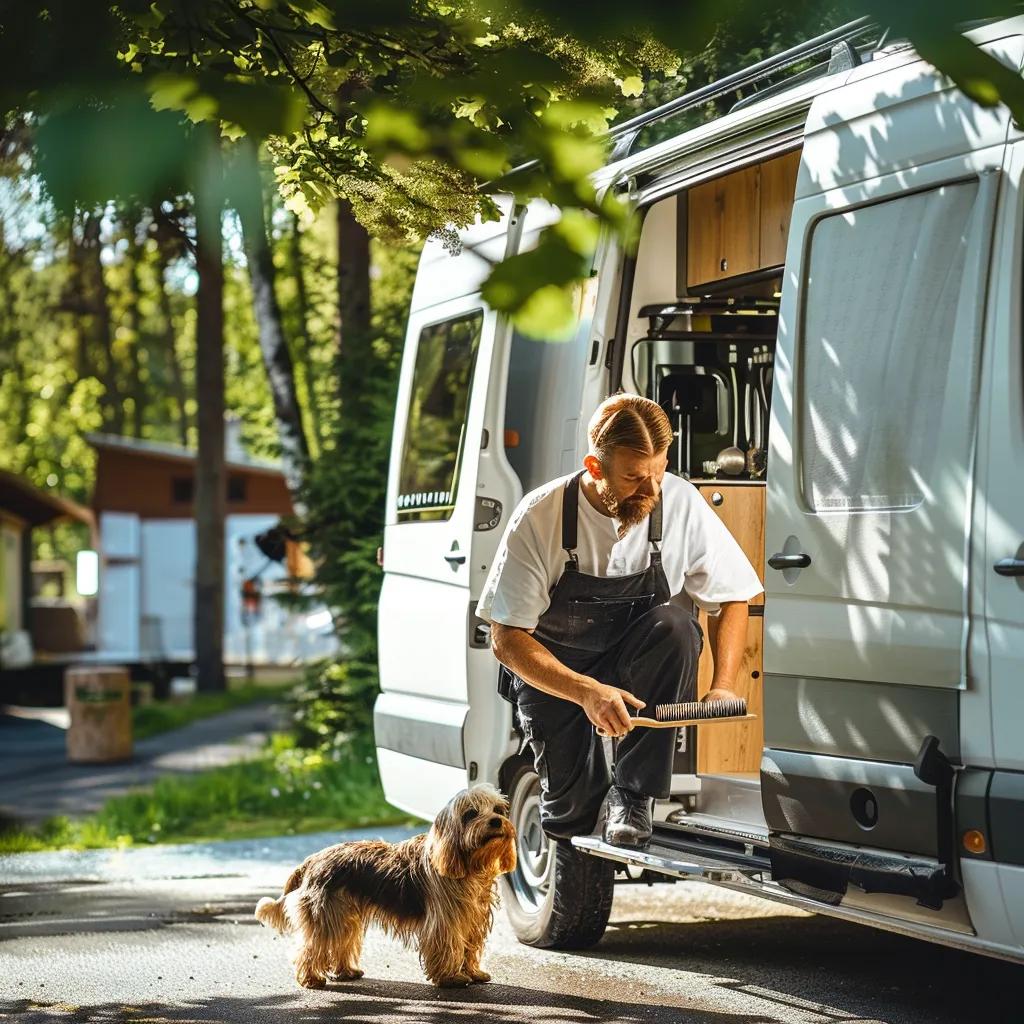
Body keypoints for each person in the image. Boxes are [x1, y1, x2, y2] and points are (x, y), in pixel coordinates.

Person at [476, 393, 764, 848]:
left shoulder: (679, 502)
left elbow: (735, 596)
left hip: (634, 663)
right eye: (633, 478)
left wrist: (724, 683)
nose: (651, 491)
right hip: (555, 671)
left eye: (658, 472)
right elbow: (506, 639)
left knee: (676, 627)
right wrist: (586, 691)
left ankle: (632, 794)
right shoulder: (541, 515)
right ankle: (576, 886)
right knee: (572, 816)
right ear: (595, 467)